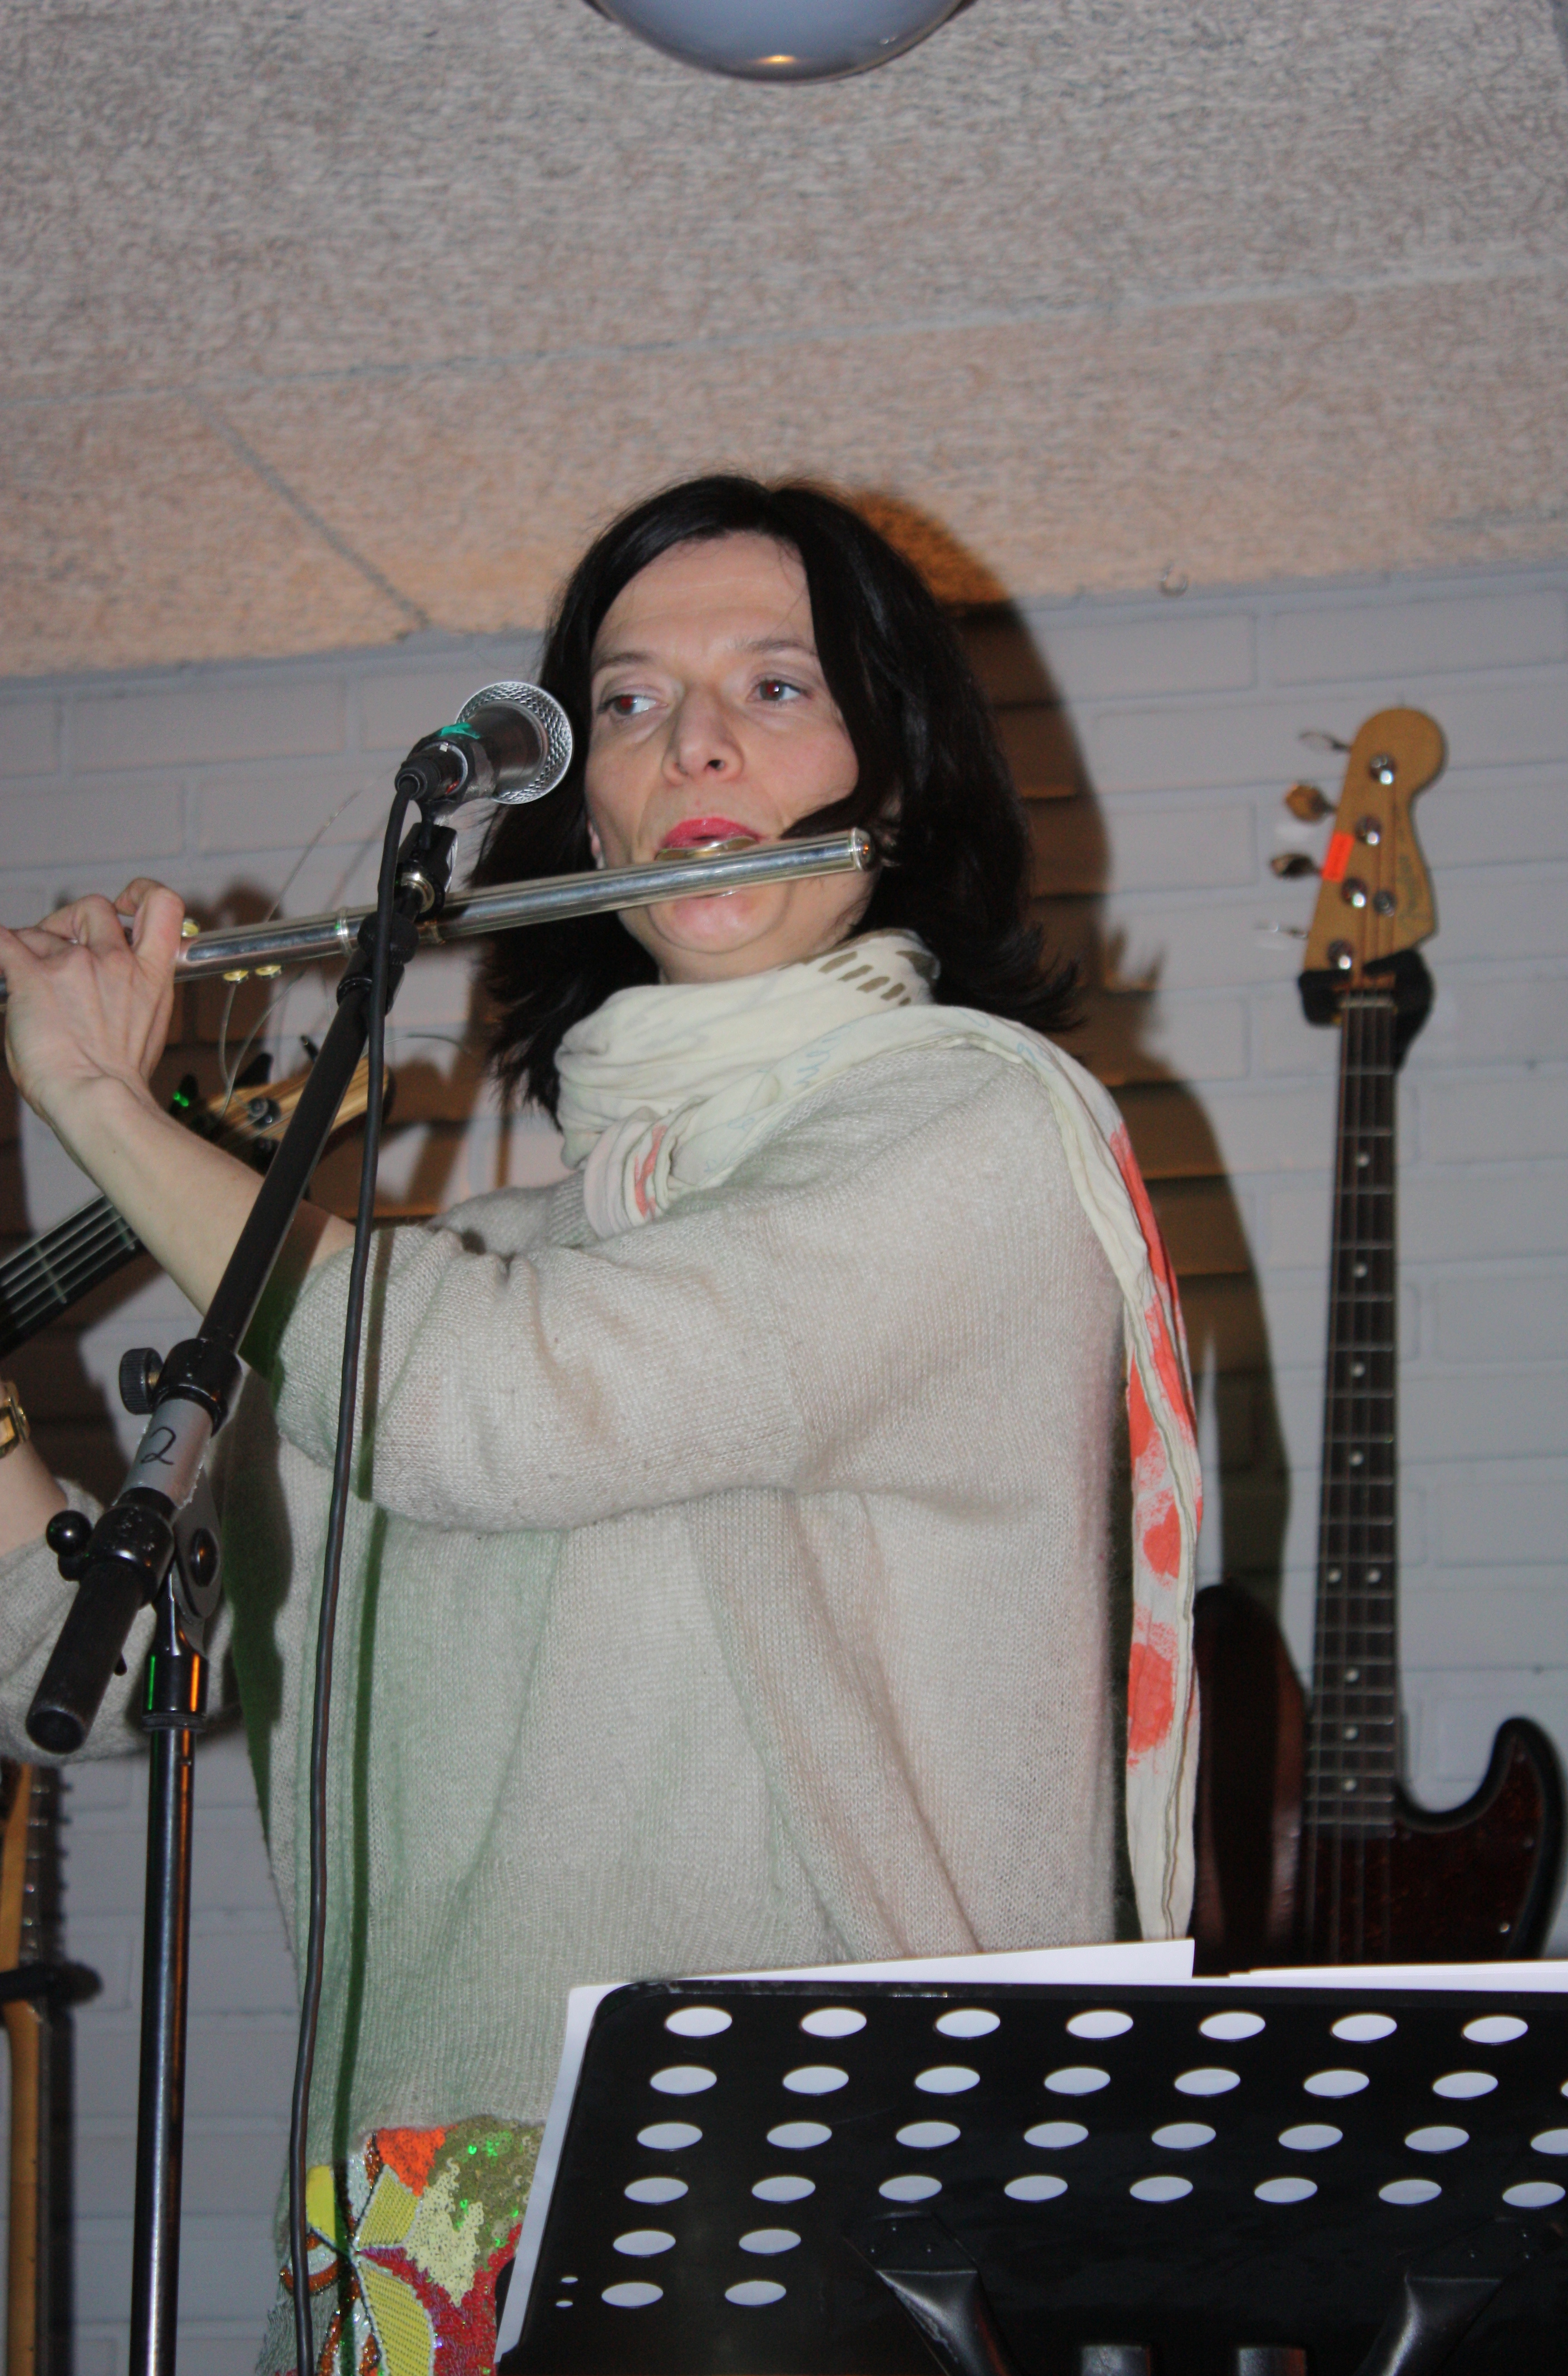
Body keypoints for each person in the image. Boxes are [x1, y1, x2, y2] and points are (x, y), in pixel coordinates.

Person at [0, 477, 1198, 2371]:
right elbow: (99, 1661)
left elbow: (502, 1409)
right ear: (585, 807)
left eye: (776, 686)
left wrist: (99, 1107)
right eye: (629, 702)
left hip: (810, 2197)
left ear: (899, 779)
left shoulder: (970, 1136)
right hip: (423, 2218)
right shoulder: (468, 1273)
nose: (692, 743)